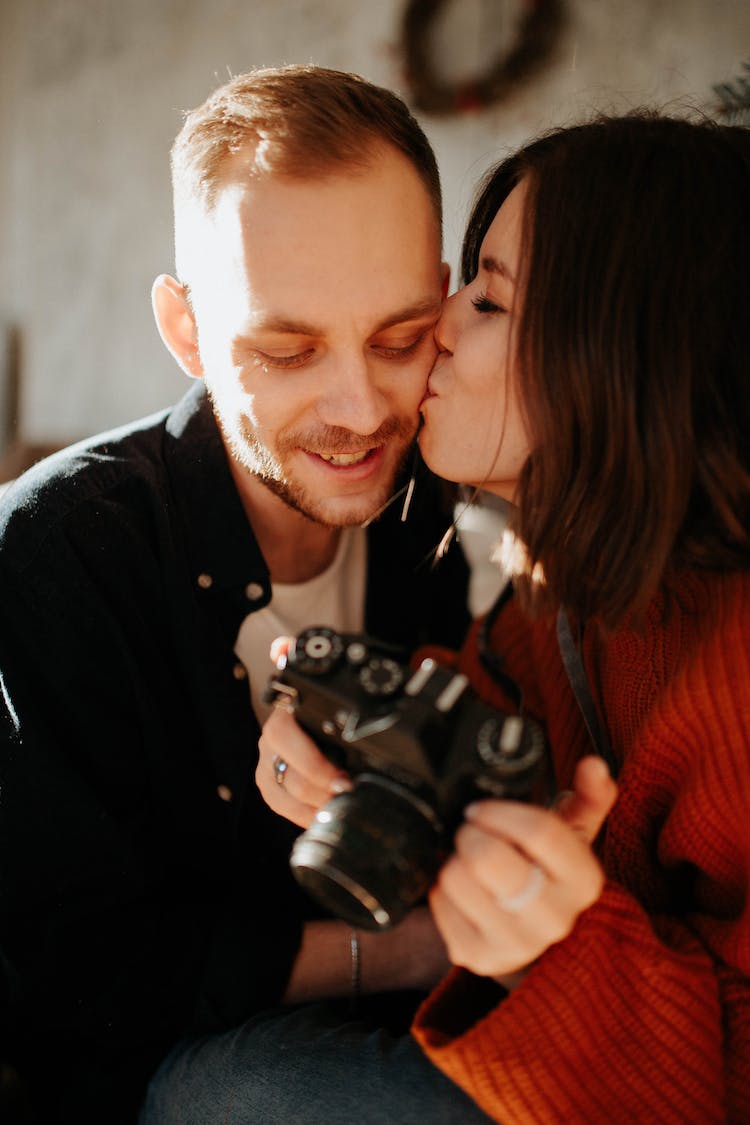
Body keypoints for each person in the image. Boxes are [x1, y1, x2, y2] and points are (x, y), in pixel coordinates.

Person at [253, 111, 750, 1123]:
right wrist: (342, 739)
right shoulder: (558, 591)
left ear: (620, 354)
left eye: (488, 295)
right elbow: (492, 720)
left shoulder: (736, 671)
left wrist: (550, 952)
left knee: (225, 1090)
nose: (434, 322)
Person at [0, 66, 474, 1124]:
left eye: (400, 338)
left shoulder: (443, 503)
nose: (361, 410)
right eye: (286, 349)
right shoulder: (53, 552)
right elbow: (78, 982)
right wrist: (411, 946)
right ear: (186, 330)